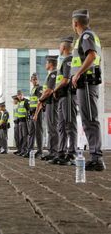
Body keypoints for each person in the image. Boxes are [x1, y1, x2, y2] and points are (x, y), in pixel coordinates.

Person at [71, 9, 105, 171]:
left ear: (75, 23)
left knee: (90, 119)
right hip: (84, 84)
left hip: (86, 83)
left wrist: (77, 73)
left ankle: (96, 158)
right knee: (87, 119)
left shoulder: (86, 36)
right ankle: (94, 156)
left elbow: (91, 56)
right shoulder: (87, 36)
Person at [50, 36, 77, 165]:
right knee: (61, 126)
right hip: (62, 98)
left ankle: (71, 154)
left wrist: (55, 90)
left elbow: (65, 80)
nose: (59, 48)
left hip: (68, 96)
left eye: (60, 46)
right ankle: (61, 152)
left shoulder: (69, 60)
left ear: (64, 47)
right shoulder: (64, 60)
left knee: (69, 125)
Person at [34, 56, 58, 161]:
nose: (45, 65)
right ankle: (51, 151)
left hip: (52, 104)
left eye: (46, 63)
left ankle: (54, 152)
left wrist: (40, 99)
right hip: (48, 104)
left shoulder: (53, 74)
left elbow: (49, 91)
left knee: (53, 128)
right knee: (51, 129)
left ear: (50, 64)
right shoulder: (50, 75)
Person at [23, 73, 43, 158]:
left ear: (38, 80)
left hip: (37, 113)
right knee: (31, 133)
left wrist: (36, 114)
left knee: (38, 133)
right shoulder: (32, 89)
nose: (34, 81)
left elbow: (40, 102)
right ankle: (30, 150)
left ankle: (40, 151)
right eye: (33, 79)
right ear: (30, 80)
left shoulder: (39, 88)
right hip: (32, 114)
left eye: (36, 79)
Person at [16, 90, 30, 156]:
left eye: (21, 95)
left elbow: (29, 110)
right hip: (20, 122)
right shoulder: (19, 103)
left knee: (25, 136)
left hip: (25, 121)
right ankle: (22, 150)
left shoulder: (26, 101)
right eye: (18, 95)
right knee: (21, 137)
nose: (20, 96)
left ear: (22, 95)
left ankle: (25, 150)